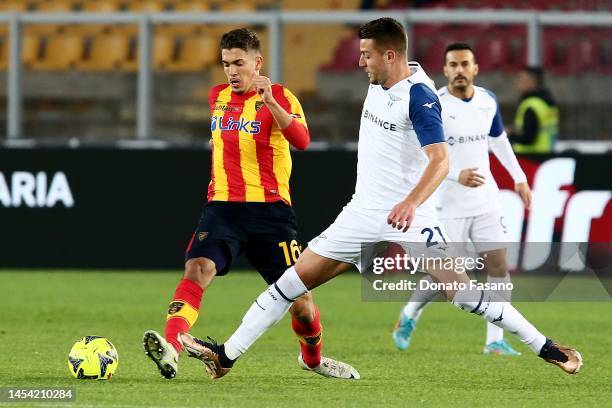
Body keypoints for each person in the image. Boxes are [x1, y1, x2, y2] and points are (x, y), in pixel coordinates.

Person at [177, 18, 582, 379]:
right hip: (360, 214)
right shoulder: (383, 80)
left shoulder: (419, 98)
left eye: (366, 55)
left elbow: (440, 161)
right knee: (288, 286)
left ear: (390, 55)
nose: (360, 62)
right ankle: (225, 356)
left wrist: (410, 203)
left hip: (410, 218)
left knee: (461, 294)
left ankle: (545, 346)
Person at [142, 28, 358, 380]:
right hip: (222, 207)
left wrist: (270, 101)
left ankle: (313, 359)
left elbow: (302, 141)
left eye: (238, 63)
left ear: (257, 62)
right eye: (226, 63)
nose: (231, 71)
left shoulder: (282, 97)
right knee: (198, 268)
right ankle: (172, 346)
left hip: (270, 213)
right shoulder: (217, 97)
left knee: (301, 304)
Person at [392, 43, 532, 356]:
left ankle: (494, 340)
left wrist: (519, 177)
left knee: (498, 266)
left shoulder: (487, 101)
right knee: (444, 275)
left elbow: (498, 140)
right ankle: (409, 315)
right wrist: (457, 175)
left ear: (475, 68)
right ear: (444, 71)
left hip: (485, 199)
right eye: (452, 65)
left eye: (464, 64)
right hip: (447, 202)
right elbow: (421, 153)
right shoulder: (434, 105)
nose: (459, 70)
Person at [507, 66, 559, 153]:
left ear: (532, 82)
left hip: (530, 158)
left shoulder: (531, 105)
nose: (517, 83)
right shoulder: (547, 102)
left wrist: (508, 135)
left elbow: (528, 138)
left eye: (521, 79)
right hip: (547, 154)